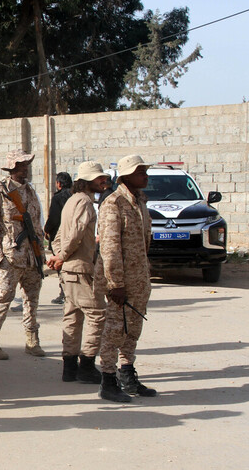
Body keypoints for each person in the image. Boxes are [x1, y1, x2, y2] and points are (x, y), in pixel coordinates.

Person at [97, 154, 157, 403]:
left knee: (133, 330)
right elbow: (110, 248)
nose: (145, 176)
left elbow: (144, 242)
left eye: (145, 171)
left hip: (139, 279)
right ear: (126, 176)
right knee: (114, 331)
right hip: (121, 282)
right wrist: (115, 284)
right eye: (140, 172)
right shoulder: (114, 203)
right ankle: (108, 380)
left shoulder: (139, 201)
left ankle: (127, 374)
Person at [46, 162, 109, 384]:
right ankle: (87, 366)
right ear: (87, 180)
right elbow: (76, 233)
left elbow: (59, 235)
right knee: (98, 314)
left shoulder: (72, 200)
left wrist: (58, 255)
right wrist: (62, 256)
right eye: (99, 179)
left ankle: (70, 368)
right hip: (79, 267)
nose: (103, 182)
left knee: (73, 317)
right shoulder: (84, 202)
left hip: (69, 269)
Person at [0, 149, 45, 359]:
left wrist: (40, 253)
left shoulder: (30, 191)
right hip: (11, 257)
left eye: (26, 164)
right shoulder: (0, 191)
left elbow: (36, 225)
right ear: (12, 167)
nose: (25, 168)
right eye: (21, 165)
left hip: (32, 256)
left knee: (32, 299)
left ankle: (32, 340)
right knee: (3, 299)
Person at [45, 171, 73, 305]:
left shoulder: (58, 198)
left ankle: (64, 292)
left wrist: (47, 229)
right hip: (72, 234)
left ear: (59, 184)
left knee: (60, 264)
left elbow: (54, 218)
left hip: (59, 236)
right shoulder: (74, 196)